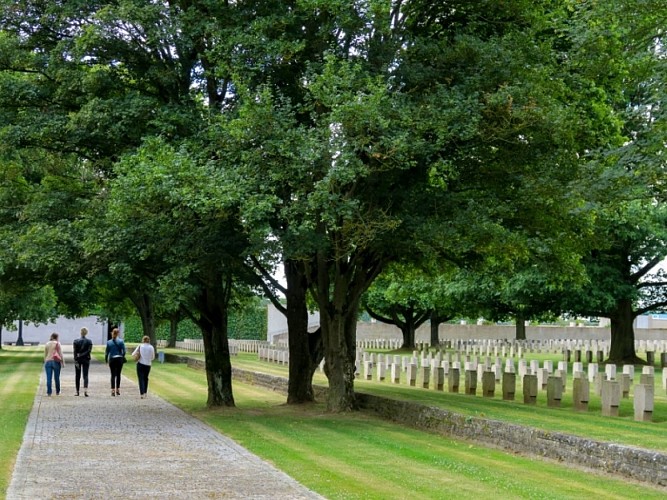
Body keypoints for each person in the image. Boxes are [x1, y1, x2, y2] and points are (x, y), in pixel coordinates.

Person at [105, 328, 126, 397]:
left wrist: (106, 360)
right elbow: (124, 351)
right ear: (118, 333)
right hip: (119, 358)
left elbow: (107, 352)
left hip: (112, 359)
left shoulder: (109, 342)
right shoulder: (121, 341)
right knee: (119, 374)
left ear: (112, 333)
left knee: (113, 375)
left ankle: (113, 390)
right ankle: (118, 389)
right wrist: (122, 356)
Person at [73, 327, 93, 396]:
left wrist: (76, 358)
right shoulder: (89, 341)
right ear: (86, 333)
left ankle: (77, 391)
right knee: (85, 375)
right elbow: (89, 351)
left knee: (77, 375)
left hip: (78, 359)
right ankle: (85, 390)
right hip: (86, 359)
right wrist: (83, 354)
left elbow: (75, 352)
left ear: (80, 332)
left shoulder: (76, 341)